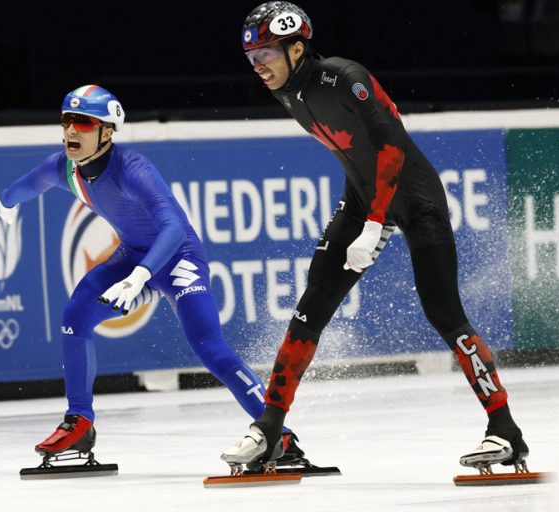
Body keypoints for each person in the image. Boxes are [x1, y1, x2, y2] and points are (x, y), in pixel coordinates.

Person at [222, 2, 528, 470]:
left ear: (297, 47)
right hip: (363, 200)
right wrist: (367, 215)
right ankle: (269, 430)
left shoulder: (344, 77)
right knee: (311, 307)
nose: (257, 65)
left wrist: (375, 223)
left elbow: (390, 144)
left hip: (416, 199)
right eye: (250, 57)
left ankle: (505, 431)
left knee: (444, 312)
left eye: (265, 53)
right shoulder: (284, 89)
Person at [0, 84, 304, 462]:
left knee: (210, 348)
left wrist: (141, 275)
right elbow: (25, 187)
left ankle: (280, 435)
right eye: (67, 120)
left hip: (177, 257)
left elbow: (173, 226)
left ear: (107, 131)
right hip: (132, 257)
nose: (71, 130)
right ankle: (79, 422)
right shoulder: (63, 168)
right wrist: (6, 204)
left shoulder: (133, 170)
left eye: (83, 122)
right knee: (75, 316)